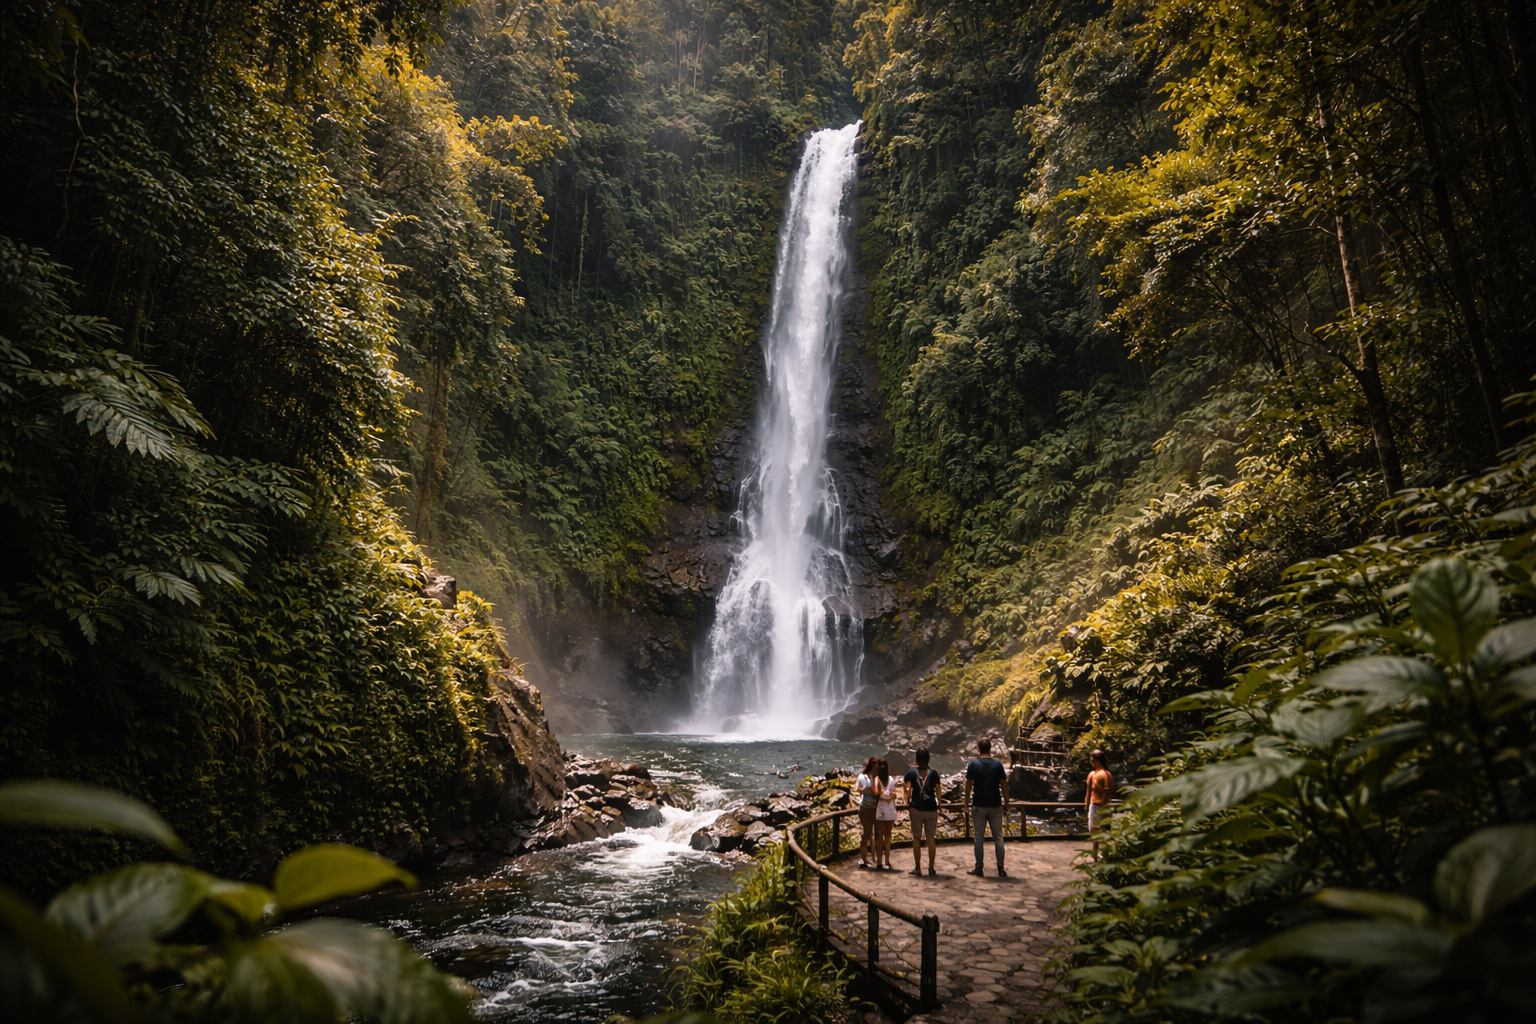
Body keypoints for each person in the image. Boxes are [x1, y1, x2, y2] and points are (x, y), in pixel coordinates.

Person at [963, 737, 1009, 877]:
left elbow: (969, 784)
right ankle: (1000, 868)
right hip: (995, 804)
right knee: (998, 837)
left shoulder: (973, 765)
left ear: (978, 749)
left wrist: (966, 800)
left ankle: (979, 867)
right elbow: (1004, 785)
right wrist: (1007, 802)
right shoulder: (998, 765)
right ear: (990, 749)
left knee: (978, 837)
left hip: (979, 804)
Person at [903, 747, 941, 876]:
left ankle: (918, 868)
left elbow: (906, 786)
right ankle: (931, 868)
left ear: (917, 759)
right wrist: (940, 803)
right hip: (931, 808)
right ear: (928, 758)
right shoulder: (934, 773)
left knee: (916, 838)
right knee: (931, 838)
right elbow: (938, 789)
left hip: (916, 809)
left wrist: (906, 800)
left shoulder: (911, 773)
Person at [873, 757, 898, 869]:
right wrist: (890, 797)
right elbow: (891, 794)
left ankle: (880, 860)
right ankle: (885, 860)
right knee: (886, 835)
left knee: (881, 835)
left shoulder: (877, 779)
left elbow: (879, 794)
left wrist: (887, 796)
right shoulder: (890, 780)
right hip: (889, 809)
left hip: (882, 810)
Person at [855, 755, 879, 868]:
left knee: (875, 834)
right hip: (865, 809)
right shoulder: (862, 777)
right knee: (867, 833)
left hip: (875, 809)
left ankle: (874, 858)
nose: (876, 769)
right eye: (874, 767)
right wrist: (865, 790)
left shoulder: (878, 778)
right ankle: (864, 859)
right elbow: (857, 789)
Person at [1086, 749, 1113, 847]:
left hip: (1097, 806)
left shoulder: (1094, 775)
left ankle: (1095, 854)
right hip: (1107, 806)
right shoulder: (1109, 774)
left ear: (1095, 760)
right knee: (1106, 832)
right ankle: (1106, 855)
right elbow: (1109, 791)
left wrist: (1087, 805)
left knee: (1094, 832)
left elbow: (1089, 793)